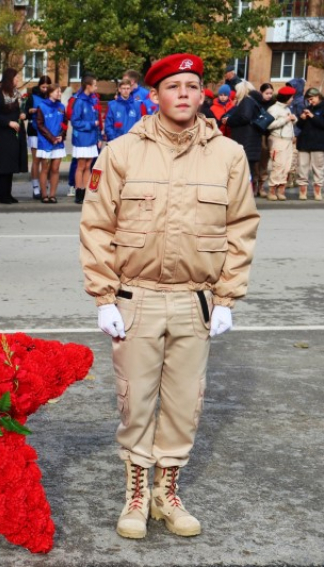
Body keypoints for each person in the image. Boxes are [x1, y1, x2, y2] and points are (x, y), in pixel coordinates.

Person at [80, 53, 260, 541]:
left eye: (192, 85)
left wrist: (227, 298)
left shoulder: (227, 155)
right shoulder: (121, 151)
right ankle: (136, 496)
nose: (184, 93)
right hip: (135, 299)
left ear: (203, 94)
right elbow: (97, 226)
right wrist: (103, 297)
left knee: (184, 404)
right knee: (135, 402)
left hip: (194, 300)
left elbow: (241, 228)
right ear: (154, 95)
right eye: (173, 85)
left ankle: (167, 494)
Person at [0, 68, 28, 204]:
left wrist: (22, 115)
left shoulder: (16, 94)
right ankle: (2, 195)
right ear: (9, 79)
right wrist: (7, 122)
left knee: (10, 165)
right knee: (3, 166)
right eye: (16, 78)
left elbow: (18, 110)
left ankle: (8, 194)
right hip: (1, 135)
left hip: (13, 135)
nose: (18, 80)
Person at [224, 81, 263, 193]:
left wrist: (229, 120)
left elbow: (244, 117)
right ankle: (247, 194)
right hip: (251, 140)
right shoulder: (254, 101)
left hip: (245, 140)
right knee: (247, 170)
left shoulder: (246, 101)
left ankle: (245, 195)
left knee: (244, 171)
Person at [71, 73, 101, 204]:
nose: (96, 87)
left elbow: (97, 120)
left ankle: (85, 192)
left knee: (89, 165)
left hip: (92, 137)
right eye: (94, 85)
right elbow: (75, 121)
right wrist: (90, 125)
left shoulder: (93, 100)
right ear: (88, 86)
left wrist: (98, 137)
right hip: (82, 138)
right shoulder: (79, 101)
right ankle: (79, 191)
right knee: (81, 165)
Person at [35, 83, 67, 203]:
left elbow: (65, 123)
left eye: (60, 92)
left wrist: (61, 135)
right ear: (50, 93)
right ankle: (44, 195)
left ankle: (52, 195)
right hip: (46, 142)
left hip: (58, 143)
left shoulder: (61, 107)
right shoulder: (42, 106)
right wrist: (52, 138)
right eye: (57, 91)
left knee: (55, 168)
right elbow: (40, 124)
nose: (59, 94)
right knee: (45, 168)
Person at [264, 86, 297, 201]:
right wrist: (286, 120)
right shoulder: (274, 109)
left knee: (286, 166)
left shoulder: (287, 109)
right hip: (278, 139)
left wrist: (293, 119)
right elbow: (269, 125)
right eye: (291, 97)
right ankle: (272, 190)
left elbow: (290, 122)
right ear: (286, 97)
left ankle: (281, 190)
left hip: (288, 140)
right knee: (278, 165)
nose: (292, 99)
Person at [26, 76, 53, 199]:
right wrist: (31, 111)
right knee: (36, 160)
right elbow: (25, 113)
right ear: (39, 86)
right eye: (43, 87)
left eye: (48, 87)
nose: (45, 89)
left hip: (47, 132)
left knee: (45, 160)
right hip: (35, 130)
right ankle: (35, 187)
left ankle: (44, 185)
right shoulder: (32, 97)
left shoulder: (51, 97)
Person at [296, 87, 324, 201]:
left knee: (318, 168)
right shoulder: (308, 108)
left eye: (312, 99)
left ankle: (317, 191)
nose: (310, 102)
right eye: (308, 100)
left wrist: (313, 116)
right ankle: (303, 191)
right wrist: (302, 119)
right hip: (304, 143)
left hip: (318, 143)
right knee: (302, 167)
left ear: (318, 96)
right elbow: (299, 126)